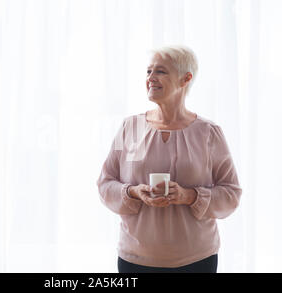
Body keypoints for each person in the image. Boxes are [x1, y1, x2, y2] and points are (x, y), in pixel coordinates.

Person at [96, 45, 242, 273]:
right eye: (148, 71)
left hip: (196, 261)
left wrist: (189, 196)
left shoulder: (208, 133)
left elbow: (231, 194)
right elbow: (105, 184)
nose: (151, 78)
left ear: (186, 79)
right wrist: (134, 192)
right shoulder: (131, 127)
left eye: (160, 71)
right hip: (135, 260)